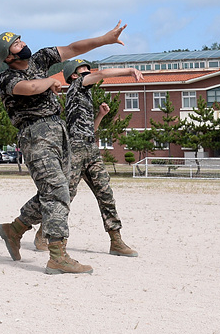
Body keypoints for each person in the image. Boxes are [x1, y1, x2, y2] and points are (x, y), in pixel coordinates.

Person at [0, 23, 128, 275]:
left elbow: (73, 48)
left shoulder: (40, 59)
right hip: (35, 133)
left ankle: (15, 229)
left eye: (21, 40)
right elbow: (30, 88)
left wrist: (105, 39)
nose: (22, 44)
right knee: (56, 190)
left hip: (59, 130)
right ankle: (57, 255)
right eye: (16, 44)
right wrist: (49, 82)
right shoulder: (6, 78)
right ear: (8, 57)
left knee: (58, 189)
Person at [31, 59, 140, 257]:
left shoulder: (84, 95)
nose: (88, 71)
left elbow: (89, 131)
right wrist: (129, 70)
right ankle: (42, 234)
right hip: (75, 150)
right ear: (74, 75)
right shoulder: (77, 85)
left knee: (105, 193)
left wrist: (99, 116)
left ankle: (116, 240)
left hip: (90, 148)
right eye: (83, 69)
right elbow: (103, 73)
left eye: (88, 69)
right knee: (63, 196)